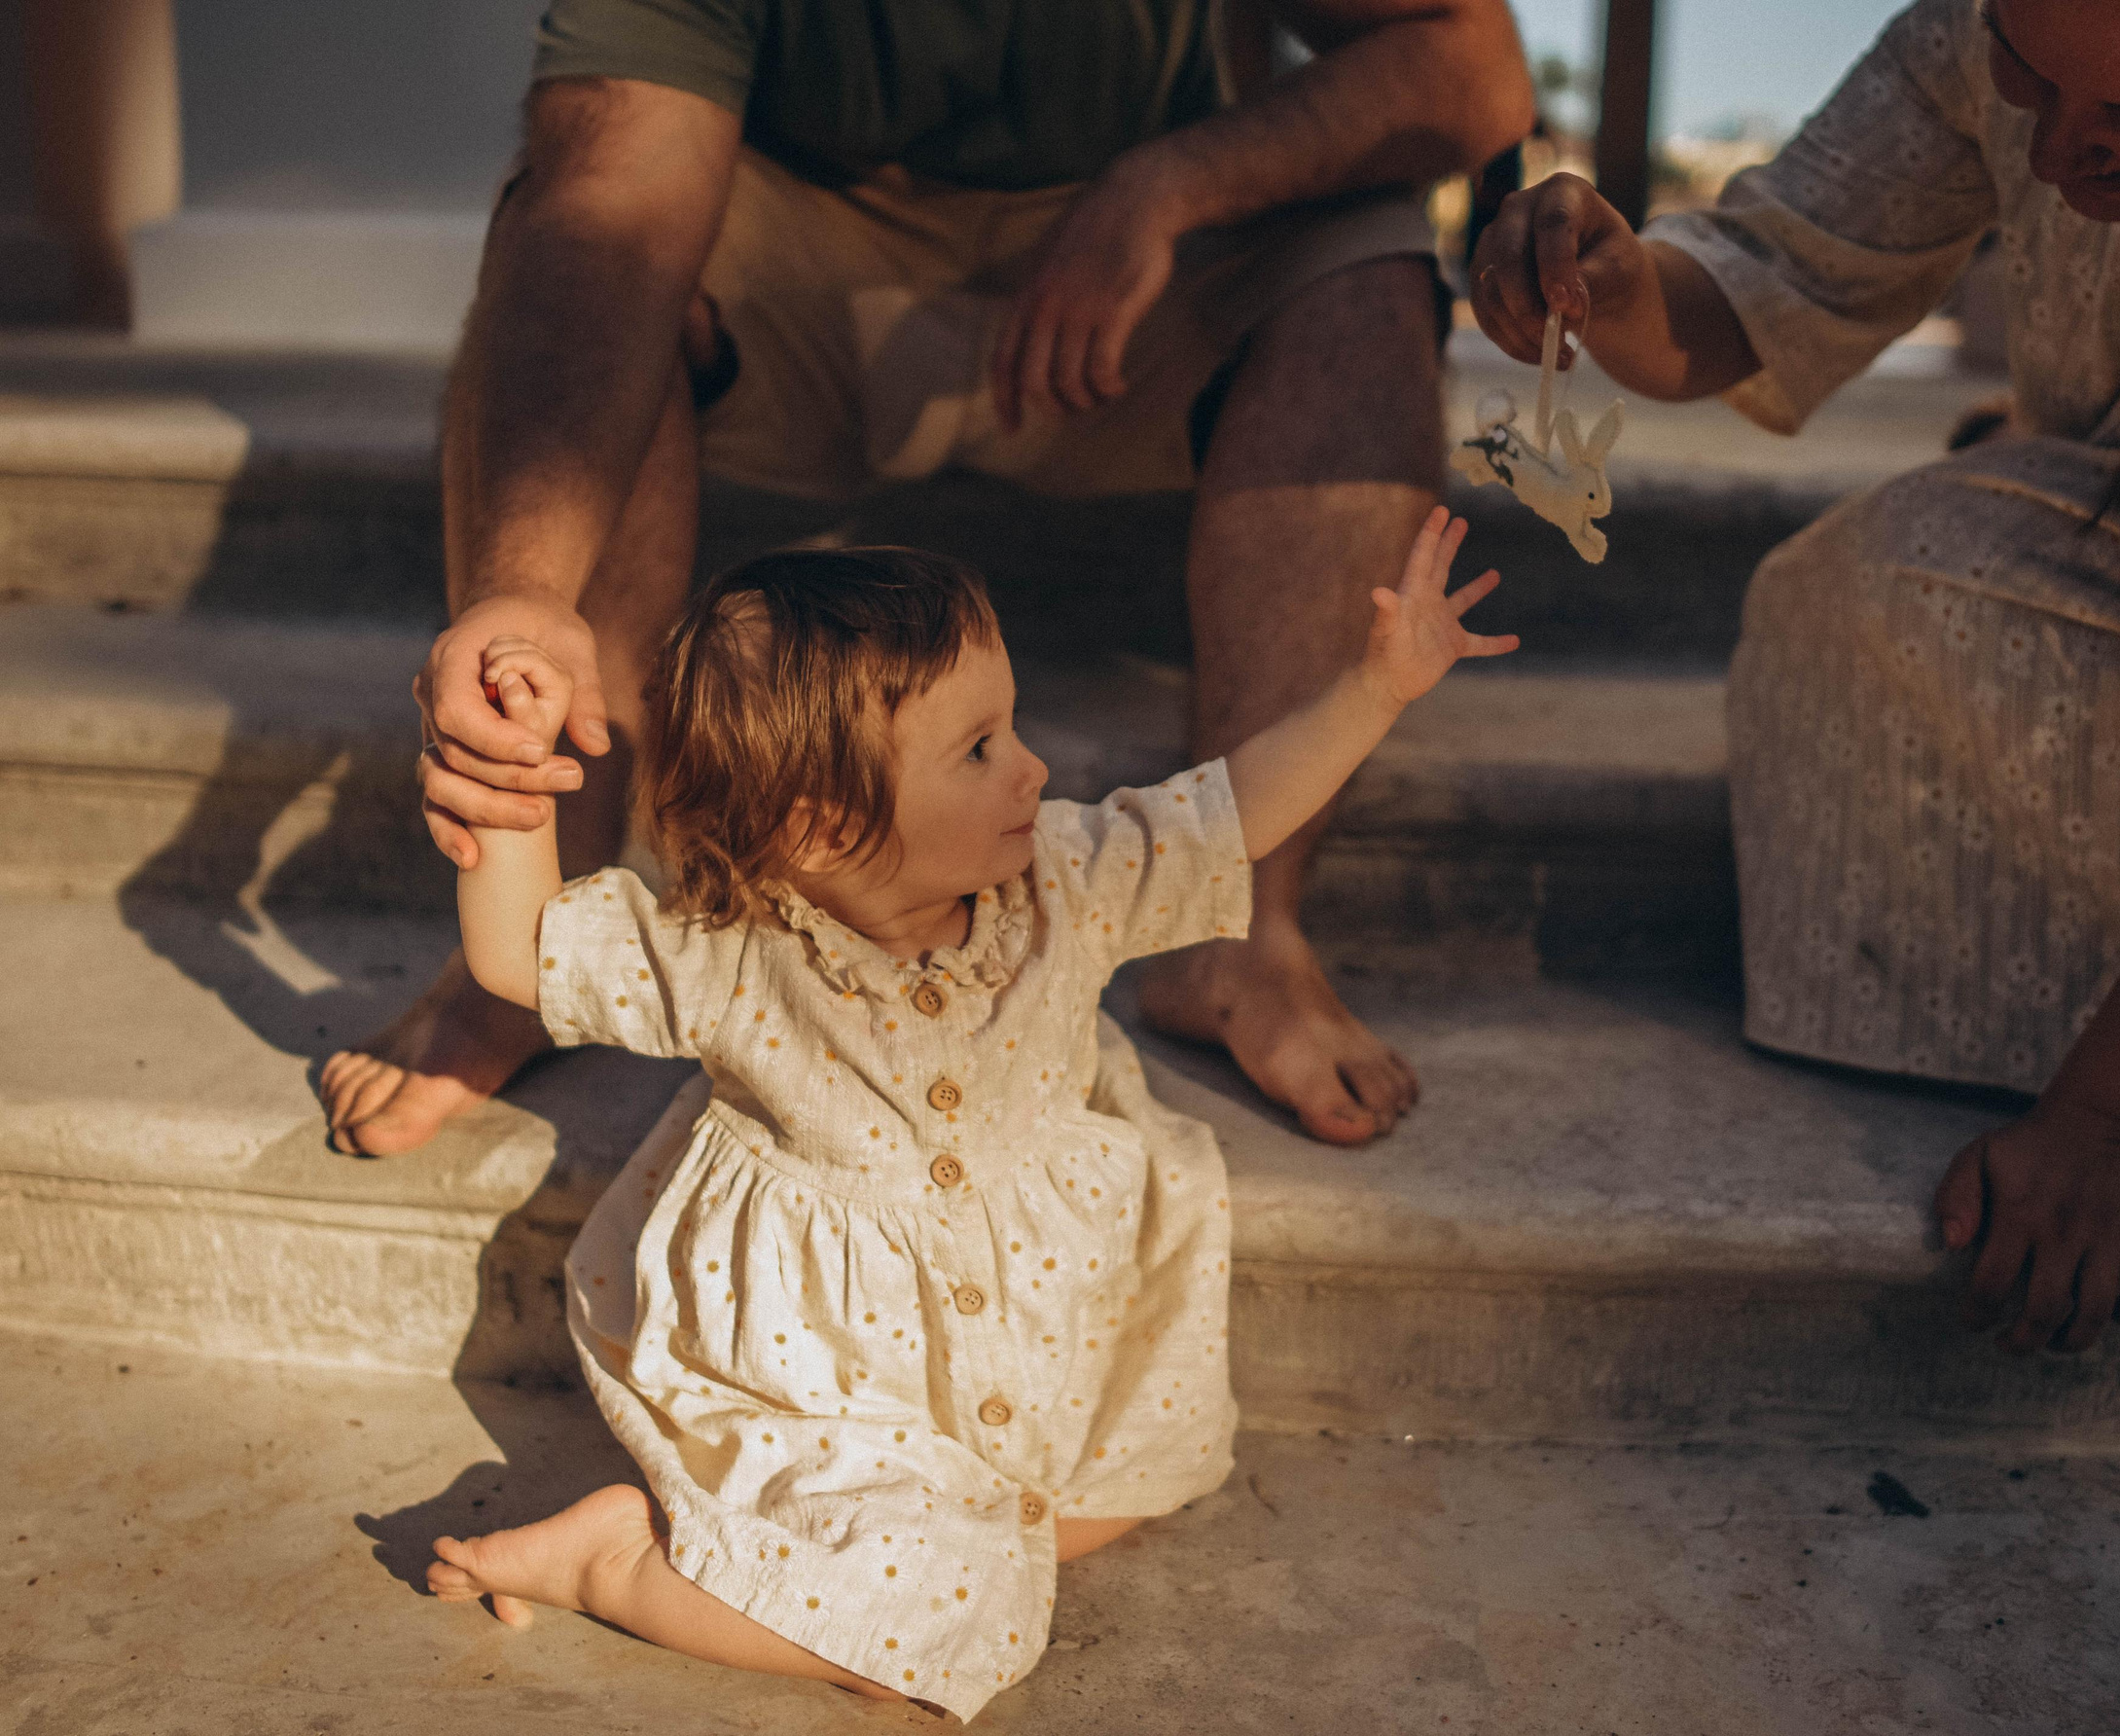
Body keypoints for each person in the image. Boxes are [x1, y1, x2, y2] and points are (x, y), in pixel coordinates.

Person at [317, 0, 1534, 1158]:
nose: (1041, 768)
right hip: (790, 254)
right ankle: (552, 937)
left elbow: (1470, 65)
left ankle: (1244, 937)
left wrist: (1166, 184)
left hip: (1128, 286)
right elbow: (615, 189)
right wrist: (522, 592)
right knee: (569, 223)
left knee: (1369, 260)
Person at [1471, 0, 2120, 1355]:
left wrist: (2100, 1121)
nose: (2060, 151)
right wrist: (1607, 283)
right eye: (2033, 75)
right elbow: (1767, 286)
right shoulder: (1988, 32)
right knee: (1854, 599)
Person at [421, 511, 1514, 1716]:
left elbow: (1232, 815)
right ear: (824, 825)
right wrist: (508, 804)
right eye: (981, 747)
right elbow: (526, 957)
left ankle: (805, 1550)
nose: (1034, 768)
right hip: (844, 1366)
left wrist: (1378, 684)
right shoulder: (729, 953)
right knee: (961, 1611)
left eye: (1012, 726)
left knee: (1107, 1498)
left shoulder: (1067, 875)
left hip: (1054, 1329)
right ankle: (621, 1562)